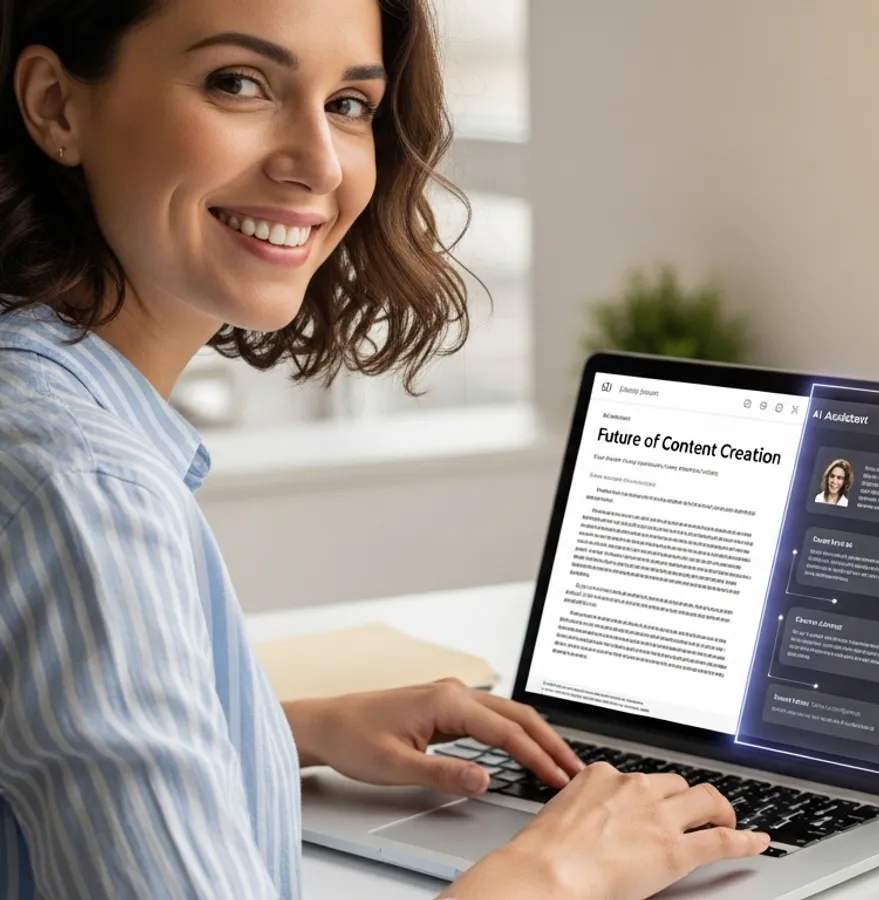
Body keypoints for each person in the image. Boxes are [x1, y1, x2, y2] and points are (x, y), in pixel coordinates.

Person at [0, 1, 769, 898]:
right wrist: (558, 873)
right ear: (56, 105)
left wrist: (276, 727)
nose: (317, 164)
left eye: (350, 105)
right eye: (239, 83)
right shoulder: (82, 489)